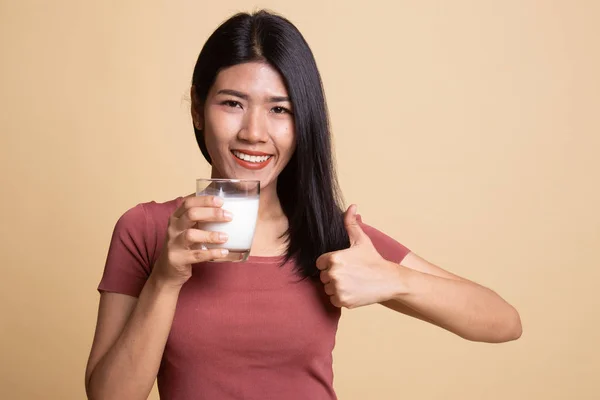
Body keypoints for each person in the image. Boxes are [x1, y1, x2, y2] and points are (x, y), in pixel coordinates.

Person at [84, 9, 522, 400]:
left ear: (303, 122)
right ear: (198, 110)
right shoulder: (144, 229)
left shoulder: (330, 235)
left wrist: (393, 279)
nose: (254, 132)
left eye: (280, 110)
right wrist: (165, 278)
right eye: (233, 103)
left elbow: (503, 321)